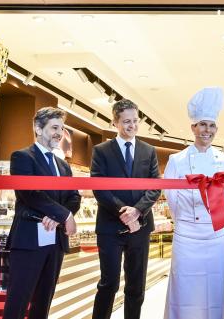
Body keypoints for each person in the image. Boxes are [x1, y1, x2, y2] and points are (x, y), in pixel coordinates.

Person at [163, 87, 224, 319]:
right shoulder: (177, 160)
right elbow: (171, 197)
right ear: (193, 127)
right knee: (183, 287)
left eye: (212, 125)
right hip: (187, 235)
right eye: (203, 124)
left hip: (216, 235)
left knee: (215, 287)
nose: (207, 130)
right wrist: (185, 222)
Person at [3, 107, 81, 319]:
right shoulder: (22, 157)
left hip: (55, 240)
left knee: (43, 302)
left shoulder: (63, 166)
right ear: (38, 128)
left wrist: (58, 216)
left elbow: (74, 197)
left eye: (61, 128)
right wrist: (64, 216)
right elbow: (30, 194)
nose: (59, 133)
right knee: (17, 302)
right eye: (54, 127)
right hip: (29, 239)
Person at [91, 99, 161, 319]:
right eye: (126, 121)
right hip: (110, 227)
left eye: (135, 121)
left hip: (140, 228)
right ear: (115, 122)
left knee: (136, 286)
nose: (132, 125)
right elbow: (99, 187)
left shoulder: (148, 150)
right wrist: (125, 212)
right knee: (108, 284)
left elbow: (155, 187)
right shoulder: (101, 151)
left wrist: (138, 211)